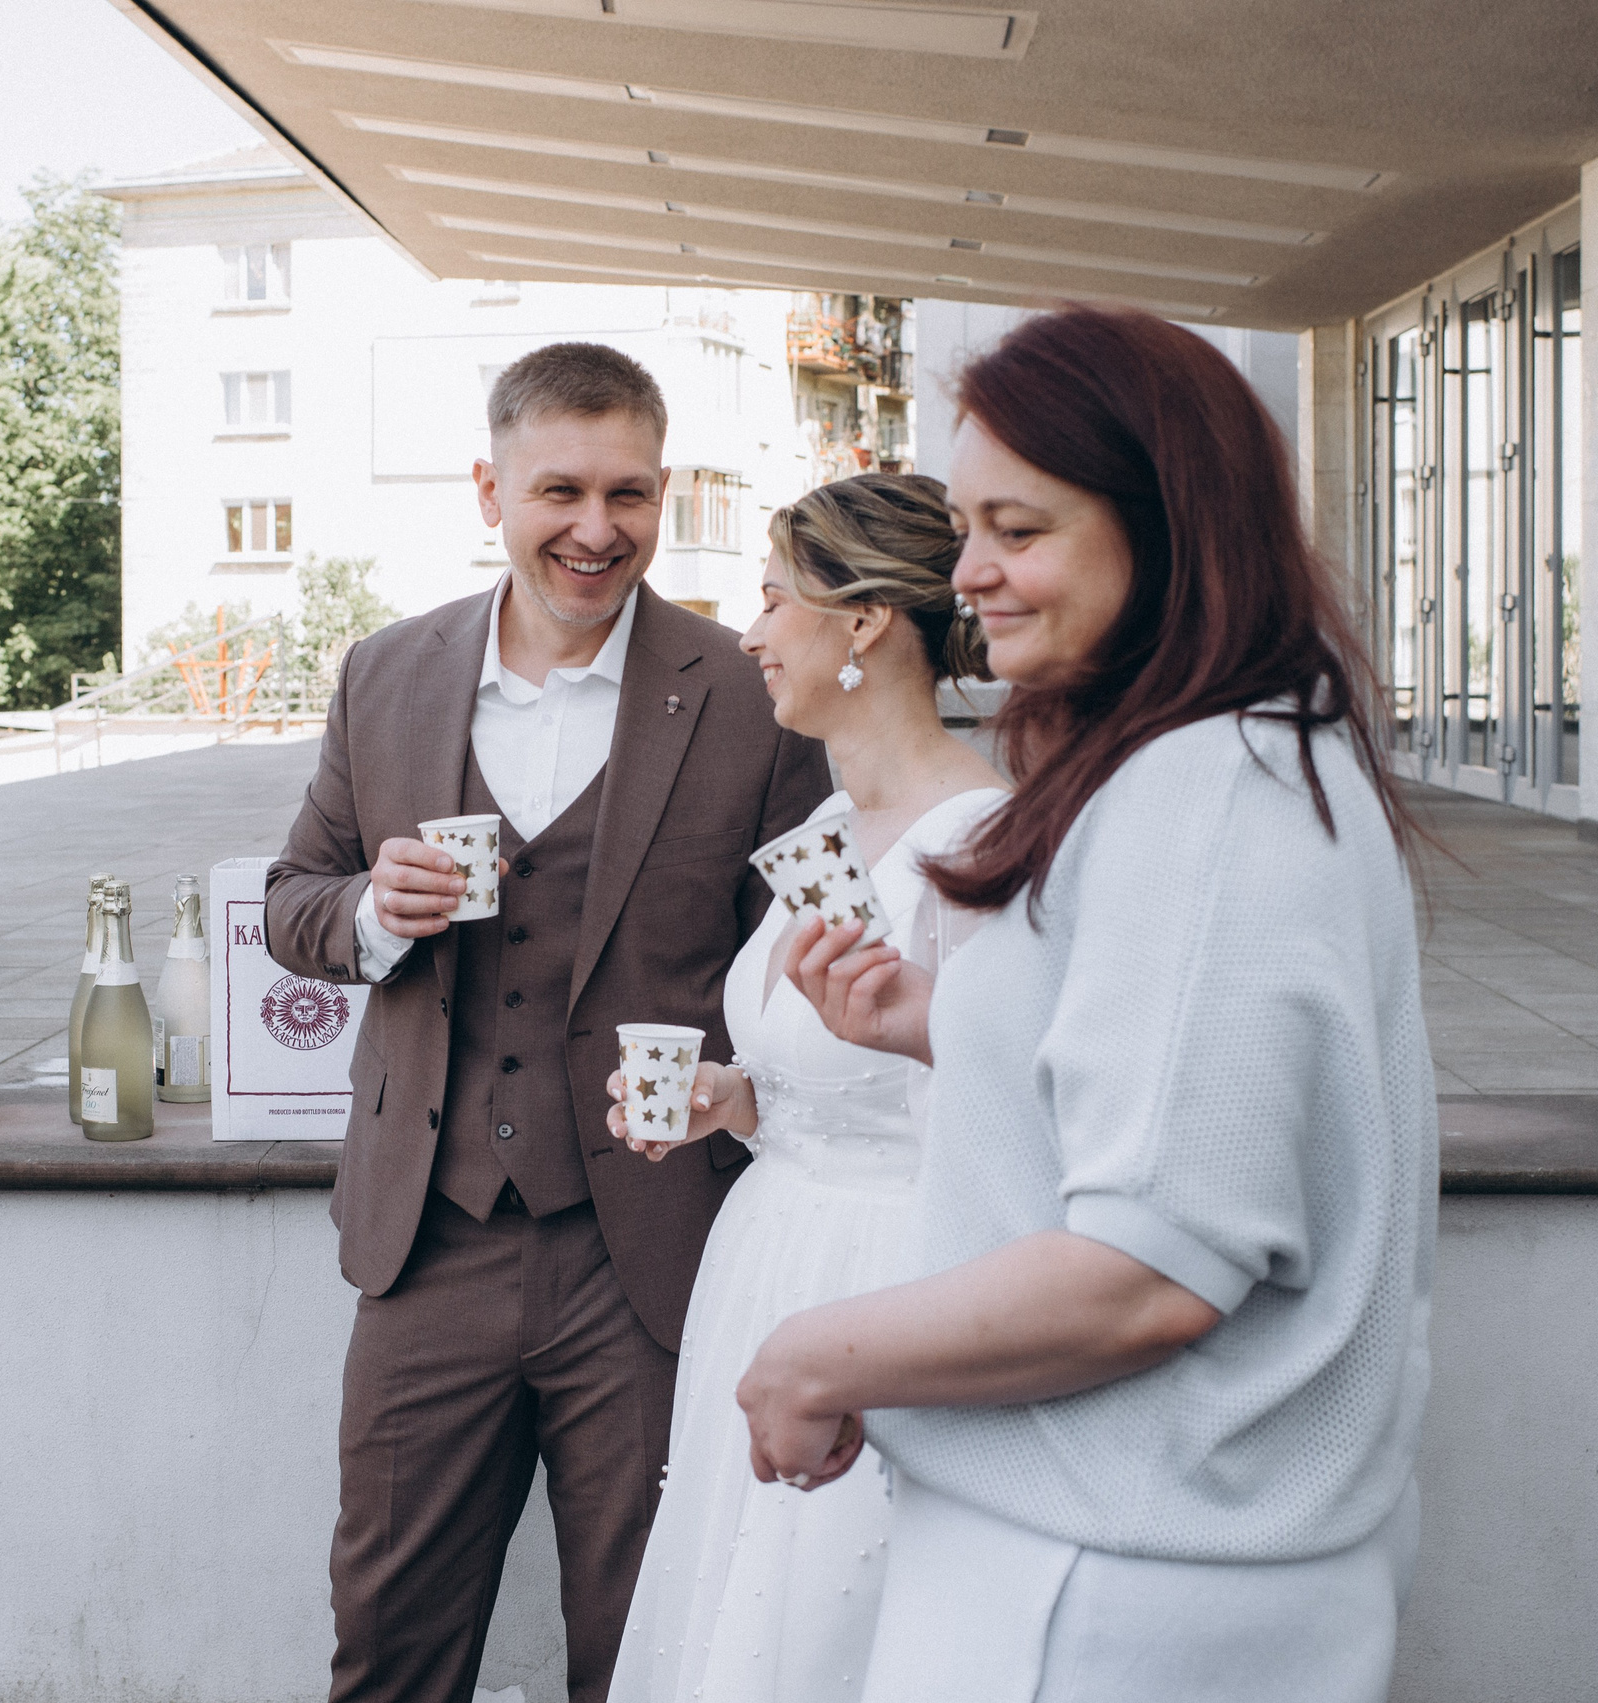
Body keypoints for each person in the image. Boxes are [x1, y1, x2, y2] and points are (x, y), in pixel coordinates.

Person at [738, 307, 1439, 1703]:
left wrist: (815, 1350)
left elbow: (1152, 1267)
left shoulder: (1210, 794)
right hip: (1105, 1554)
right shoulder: (1199, 763)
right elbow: (1170, 1076)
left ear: (1167, 526)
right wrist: (934, 1019)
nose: (973, 572)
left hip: (1116, 1588)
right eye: (964, 525)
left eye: (1020, 527)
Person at [263, 343, 833, 1703]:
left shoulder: (751, 689)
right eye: (560, 490)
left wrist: (752, 1087)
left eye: (629, 492)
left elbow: (818, 952)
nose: (596, 528)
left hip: (649, 1249)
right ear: (490, 487)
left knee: (645, 1644)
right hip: (428, 1241)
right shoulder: (387, 675)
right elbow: (295, 901)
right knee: (388, 1638)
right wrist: (377, 913)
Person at [599, 473, 1007, 1703]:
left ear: (865, 622)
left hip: (890, 1273)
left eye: (774, 599)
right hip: (767, 1259)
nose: (750, 632)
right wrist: (731, 1097)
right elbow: (843, 1068)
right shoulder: (831, 820)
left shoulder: (985, 840)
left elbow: (1005, 1108)